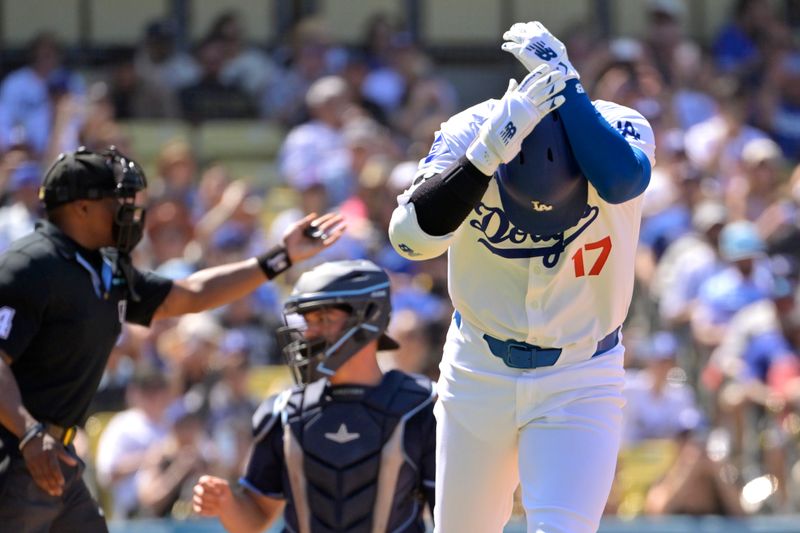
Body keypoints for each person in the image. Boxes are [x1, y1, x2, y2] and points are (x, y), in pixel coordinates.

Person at [389, 21, 656, 533]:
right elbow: (408, 239)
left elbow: (622, 182)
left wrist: (566, 81)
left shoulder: (618, 125)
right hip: (477, 368)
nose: (540, 212)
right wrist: (485, 155)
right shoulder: (472, 130)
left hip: (581, 372)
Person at [0, 145, 344, 532]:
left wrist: (280, 257)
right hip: (17, 452)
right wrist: (28, 432)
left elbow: (190, 294)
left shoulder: (104, 267)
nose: (127, 208)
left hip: (53, 454)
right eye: (116, 199)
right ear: (81, 208)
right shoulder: (31, 264)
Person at [192, 259, 436, 533]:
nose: (309, 334)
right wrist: (226, 503)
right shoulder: (284, 410)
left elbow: (454, 514)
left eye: (323, 320)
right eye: (307, 321)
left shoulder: (422, 406)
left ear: (368, 317)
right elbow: (256, 517)